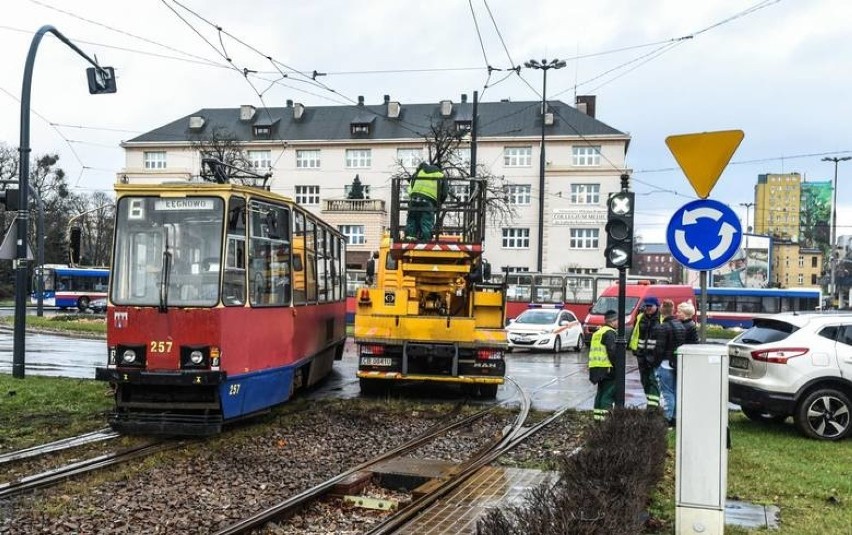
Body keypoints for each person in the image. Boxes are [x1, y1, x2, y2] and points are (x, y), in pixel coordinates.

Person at [655, 299, 687, 427]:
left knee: (667, 392)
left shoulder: (663, 327)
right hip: (677, 362)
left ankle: (667, 419)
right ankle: (675, 418)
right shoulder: (680, 325)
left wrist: (655, 362)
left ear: (662, 310)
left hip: (665, 363)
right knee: (676, 391)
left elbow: (660, 348)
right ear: (673, 310)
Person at [628, 296, 662, 410]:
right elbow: (635, 334)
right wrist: (635, 349)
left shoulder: (661, 319)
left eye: (650, 306)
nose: (648, 308)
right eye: (646, 306)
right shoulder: (640, 317)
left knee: (653, 380)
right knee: (645, 380)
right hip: (641, 355)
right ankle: (651, 402)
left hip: (655, 355)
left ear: (656, 306)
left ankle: (653, 407)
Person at [588, 309, 618, 422]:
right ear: (613, 321)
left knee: (600, 394)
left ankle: (598, 420)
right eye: (617, 320)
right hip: (608, 369)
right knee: (608, 395)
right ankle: (606, 422)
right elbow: (613, 352)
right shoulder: (610, 333)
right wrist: (618, 368)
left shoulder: (598, 333)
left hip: (596, 368)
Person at [404, 163, 445, 241]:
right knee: (426, 221)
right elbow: (444, 192)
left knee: (412, 219)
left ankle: (410, 237)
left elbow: (411, 184)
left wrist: (413, 196)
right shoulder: (441, 175)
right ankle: (426, 240)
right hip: (427, 201)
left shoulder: (420, 172)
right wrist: (438, 203)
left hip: (414, 199)